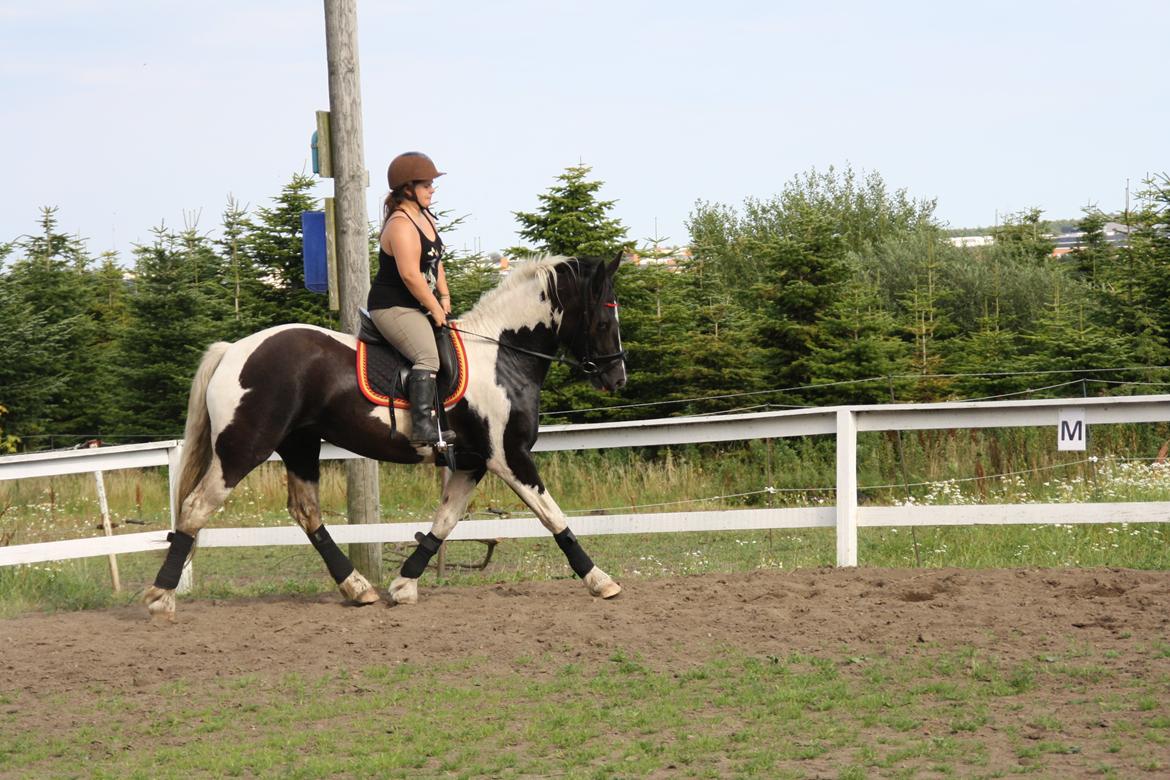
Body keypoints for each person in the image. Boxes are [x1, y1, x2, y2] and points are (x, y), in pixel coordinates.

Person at [368, 151, 455, 447]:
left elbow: (435, 260)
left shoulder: (425, 217)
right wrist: (433, 306)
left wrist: (444, 296)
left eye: (432, 184)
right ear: (408, 189)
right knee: (428, 357)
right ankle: (422, 427)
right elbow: (410, 276)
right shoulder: (401, 225)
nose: (432, 189)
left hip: (418, 304)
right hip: (392, 307)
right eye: (426, 184)